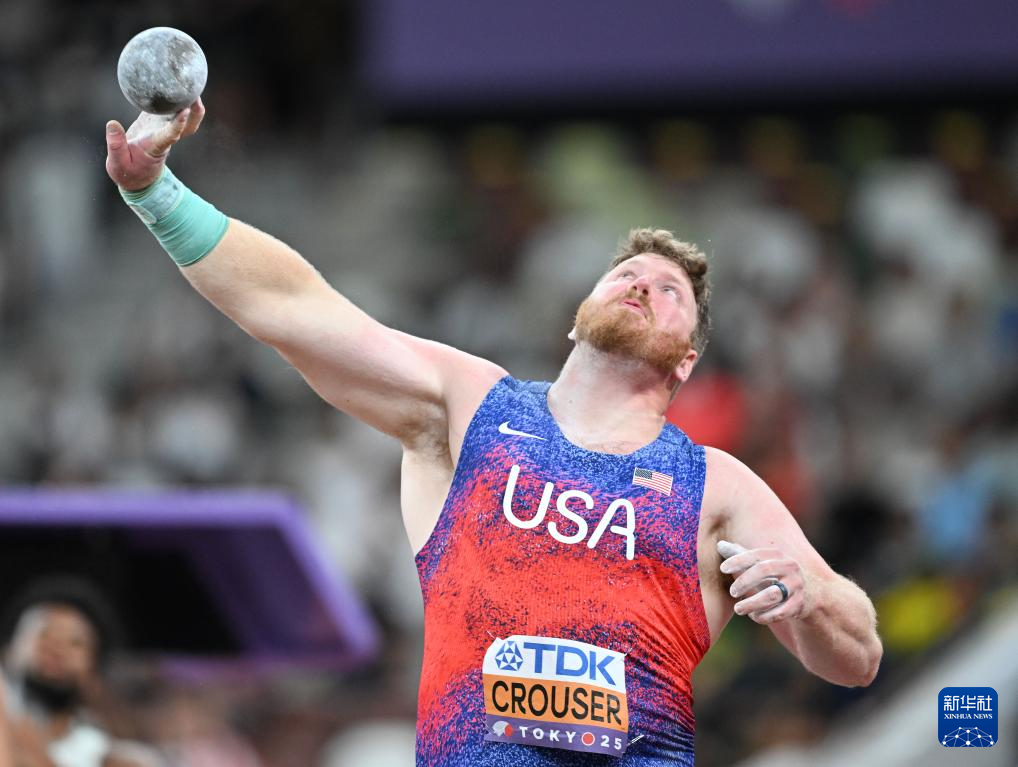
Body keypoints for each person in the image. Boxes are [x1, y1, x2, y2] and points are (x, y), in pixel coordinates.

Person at [104, 102, 882, 767]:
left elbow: (859, 655)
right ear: (578, 314)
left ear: (687, 359)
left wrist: (809, 596)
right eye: (625, 274)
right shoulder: (469, 406)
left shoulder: (714, 483)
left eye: (668, 290)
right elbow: (296, 307)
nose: (642, 283)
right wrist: (156, 194)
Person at [1, 582, 159, 767]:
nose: (56, 649)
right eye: (45, 635)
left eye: (75, 643)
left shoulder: (116, 757)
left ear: (95, 669)